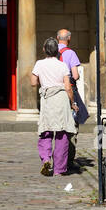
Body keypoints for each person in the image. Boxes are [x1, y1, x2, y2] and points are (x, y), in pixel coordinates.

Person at [31, 37, 76, 177]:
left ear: (44, 50)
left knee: (46, 131)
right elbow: (68, 87)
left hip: (47, 99)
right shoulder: (62, 65)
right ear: (57, 51)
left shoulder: (39, 64)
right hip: (61, 99)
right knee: (62, 134)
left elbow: (33, 82)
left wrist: (44, 81)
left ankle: (45, 158)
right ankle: (59, 169)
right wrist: (73, 103)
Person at [57, 28, 88, 171]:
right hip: (69, 91)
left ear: (58, 38)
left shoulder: (51, 52)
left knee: (59, 126)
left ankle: (57, 158)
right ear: (68, 38)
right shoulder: (70, 53)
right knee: (73, 125)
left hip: (55, 93)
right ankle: (69, 160)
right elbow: (74, 75)